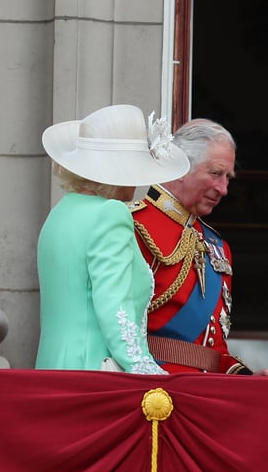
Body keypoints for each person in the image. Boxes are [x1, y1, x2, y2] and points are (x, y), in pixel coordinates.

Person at [35, 104, 190, 373]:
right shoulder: (111, 213)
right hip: (95, 372)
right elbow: (113, 304)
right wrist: (143, 367)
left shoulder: (59, 214)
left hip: (53, 368)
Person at [131, 119, 254, 374]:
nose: (224, 189)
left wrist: (244, 377)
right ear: (181, 165)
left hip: (205, 391)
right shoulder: (132, 226)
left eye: (227, 178)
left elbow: (215, 347)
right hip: (153, 390)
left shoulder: (218, 246)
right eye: (216, 173)